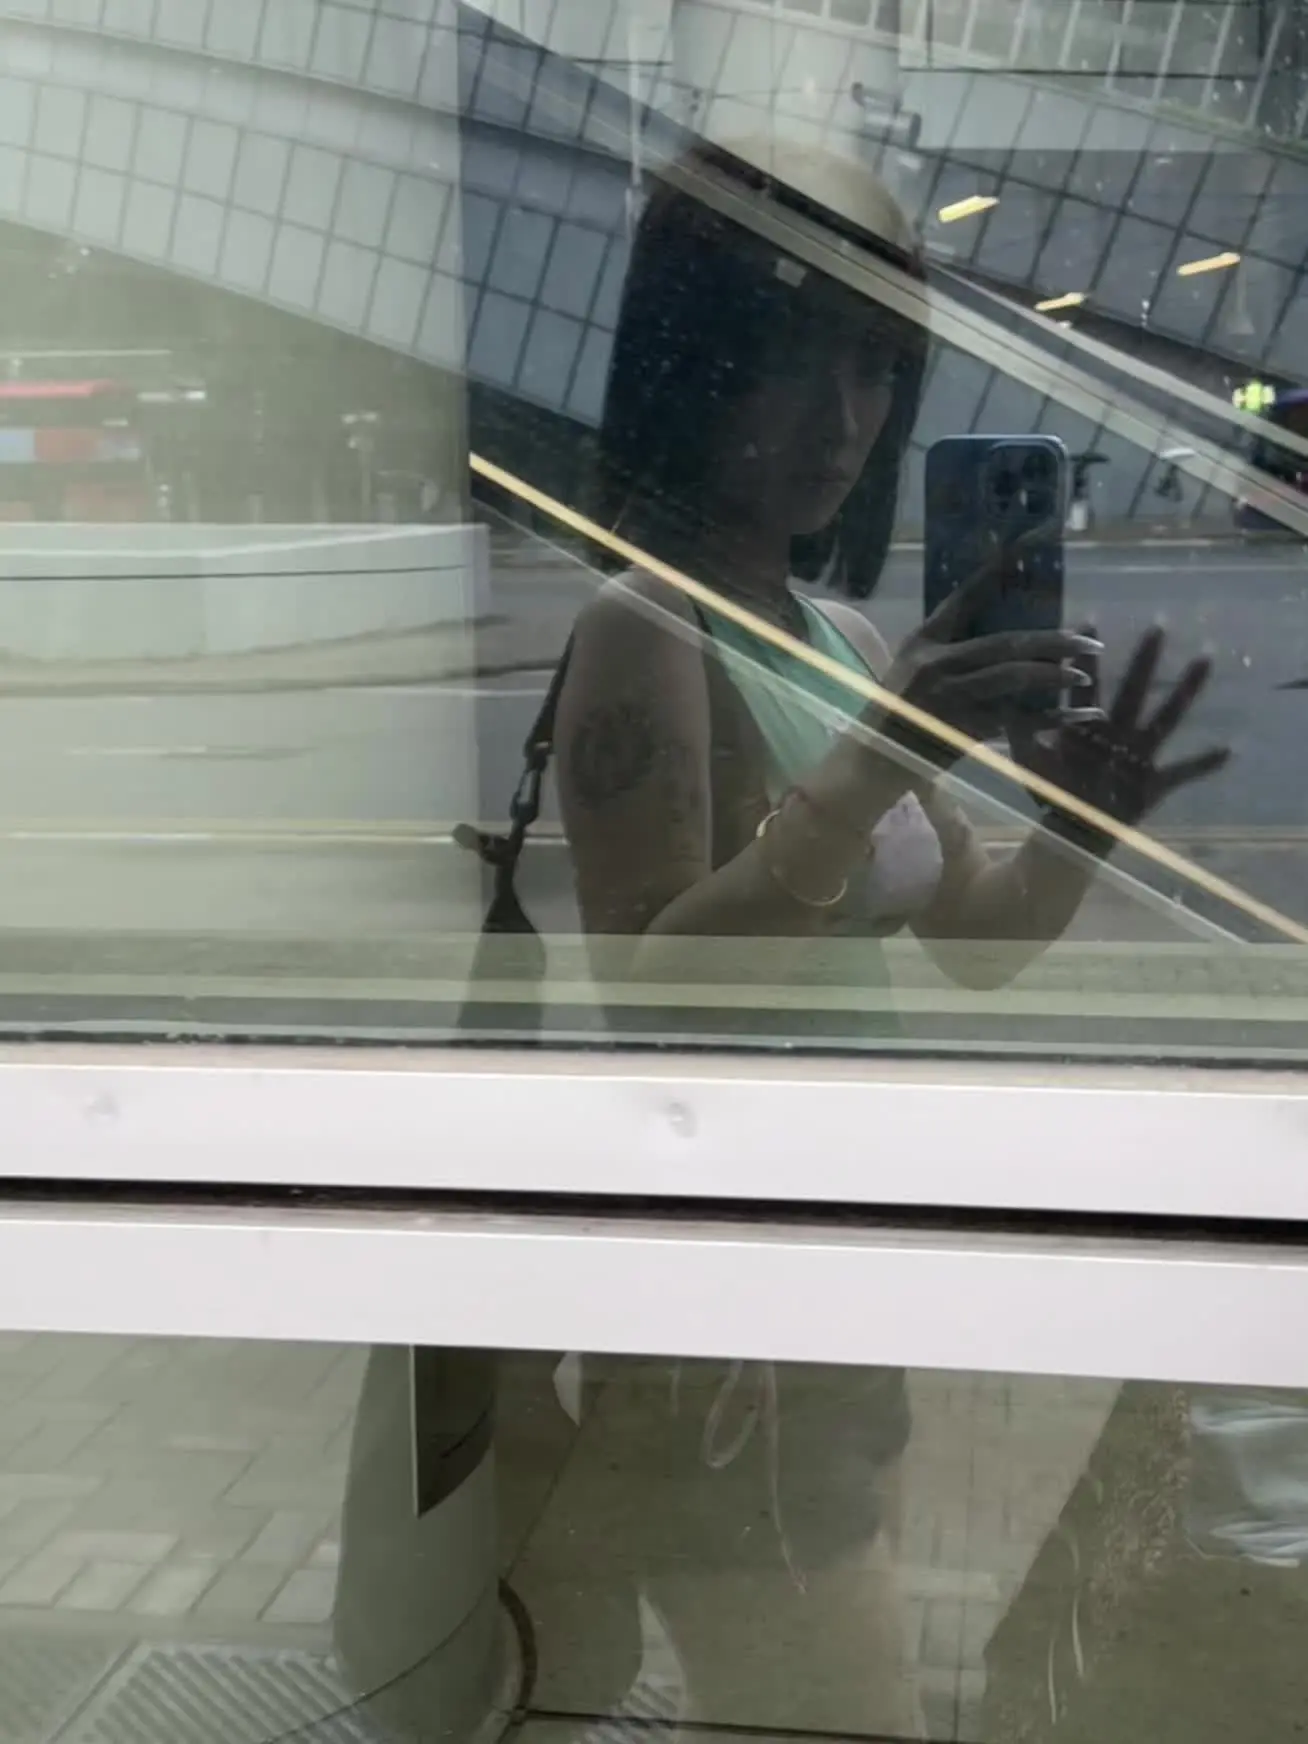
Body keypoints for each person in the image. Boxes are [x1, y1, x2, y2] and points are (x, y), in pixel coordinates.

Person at [547, 140, 1229, 1735]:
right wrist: (875, 762)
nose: (841, 418)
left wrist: (1084, 821)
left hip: (838, 1293)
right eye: (793, 360)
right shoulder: (645, 628)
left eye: (873, 368)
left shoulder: (846, 640)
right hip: (733, 1320)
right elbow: (654, 995)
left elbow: (973, 935)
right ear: (693, 364)